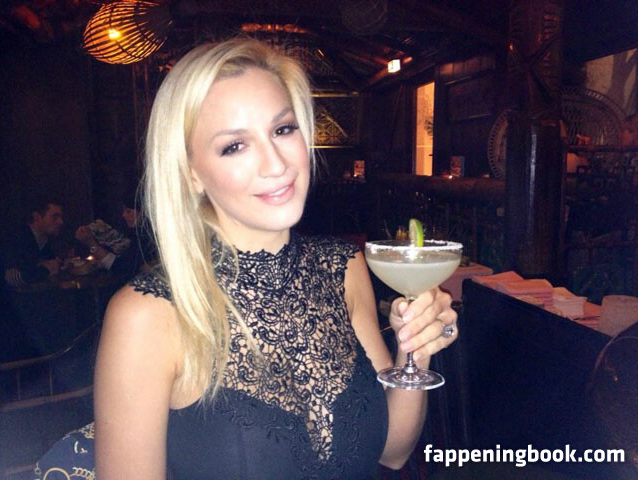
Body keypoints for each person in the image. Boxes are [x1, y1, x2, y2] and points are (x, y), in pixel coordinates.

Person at [34, 39, 458, 479]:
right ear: (191, 174)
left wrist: (416, 348)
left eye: (283, 129)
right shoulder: (147, 315)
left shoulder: (343, 267)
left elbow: (392, 450)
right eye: (235, 146)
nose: (276, 164)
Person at [74, 191, 156, 280]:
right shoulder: (136, 234)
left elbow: (121, 268)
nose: (124, 215)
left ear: (143, 212)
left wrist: (91, 243)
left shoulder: (145, 237)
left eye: (128, 211)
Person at [1, 197, 63, 287]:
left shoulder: (47, 242)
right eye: (55, 217)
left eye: (60, 217)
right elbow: (11, 277)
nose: (60, 222)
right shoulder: (16, 238)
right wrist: (46, 269)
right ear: (37, 217)